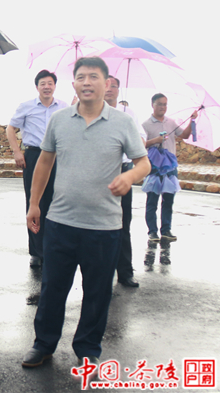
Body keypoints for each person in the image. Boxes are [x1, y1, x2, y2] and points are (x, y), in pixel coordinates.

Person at [21, 57, 150, 368]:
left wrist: (130, 177)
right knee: (52, 288)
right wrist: (34, 203)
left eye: (94, 76)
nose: (87, 82)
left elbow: (143, 163)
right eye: (81, 77)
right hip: (61, 221)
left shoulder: (123, 122)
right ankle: (43, 344)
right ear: (74, 84)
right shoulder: (60, 120)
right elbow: (44, 162)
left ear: (107, 84)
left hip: (104, 226)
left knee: (97, 292)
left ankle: (88, 348)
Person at [6, 70, 68, 268]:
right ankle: (36, 251)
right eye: (43, 83)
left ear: (55, 86)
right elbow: (10, 128)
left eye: (50, 83)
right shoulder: (26, 106)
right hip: (34, 155)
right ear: (37, 87)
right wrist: (17, 151)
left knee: (55, 202)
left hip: (57, 157)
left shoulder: (65, 107)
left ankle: (52, 248)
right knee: (34, 202)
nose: (47, 87)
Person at [105, 76, 147, 288]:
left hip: (122, 172)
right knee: (98, 224)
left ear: (119, 90)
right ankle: (101, 272)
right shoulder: (90, 111)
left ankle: (125, 272)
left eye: (114, 86)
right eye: (107, 85)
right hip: (99, 173)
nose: (110, 89)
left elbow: (141, 138)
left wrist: (132, 145)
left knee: (123, 222)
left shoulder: (127, 114)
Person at [142, 93, 197, 242]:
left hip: (170, 166)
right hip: (154, 167)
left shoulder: (171, 122)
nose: (163, 107)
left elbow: (184, 135)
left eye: (165, 104)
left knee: (168, 200)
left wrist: (191, 121)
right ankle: (152, 231)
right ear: (152, 105)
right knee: (152, 201)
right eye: (160, 104)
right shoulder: (145, 125)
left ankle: (166, 229)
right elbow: (141, 144)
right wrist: (156, 140)